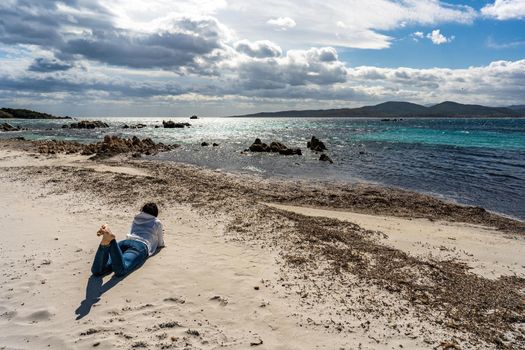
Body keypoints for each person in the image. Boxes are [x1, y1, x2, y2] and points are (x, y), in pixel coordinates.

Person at [91, 202, 165, 277]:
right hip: (140, 246)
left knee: (99, 270)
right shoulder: (156, 222)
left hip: (125, 242)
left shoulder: (136, 218)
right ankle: (112, 241)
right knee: (121, 270)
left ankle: (106, 243)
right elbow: (160, 243)